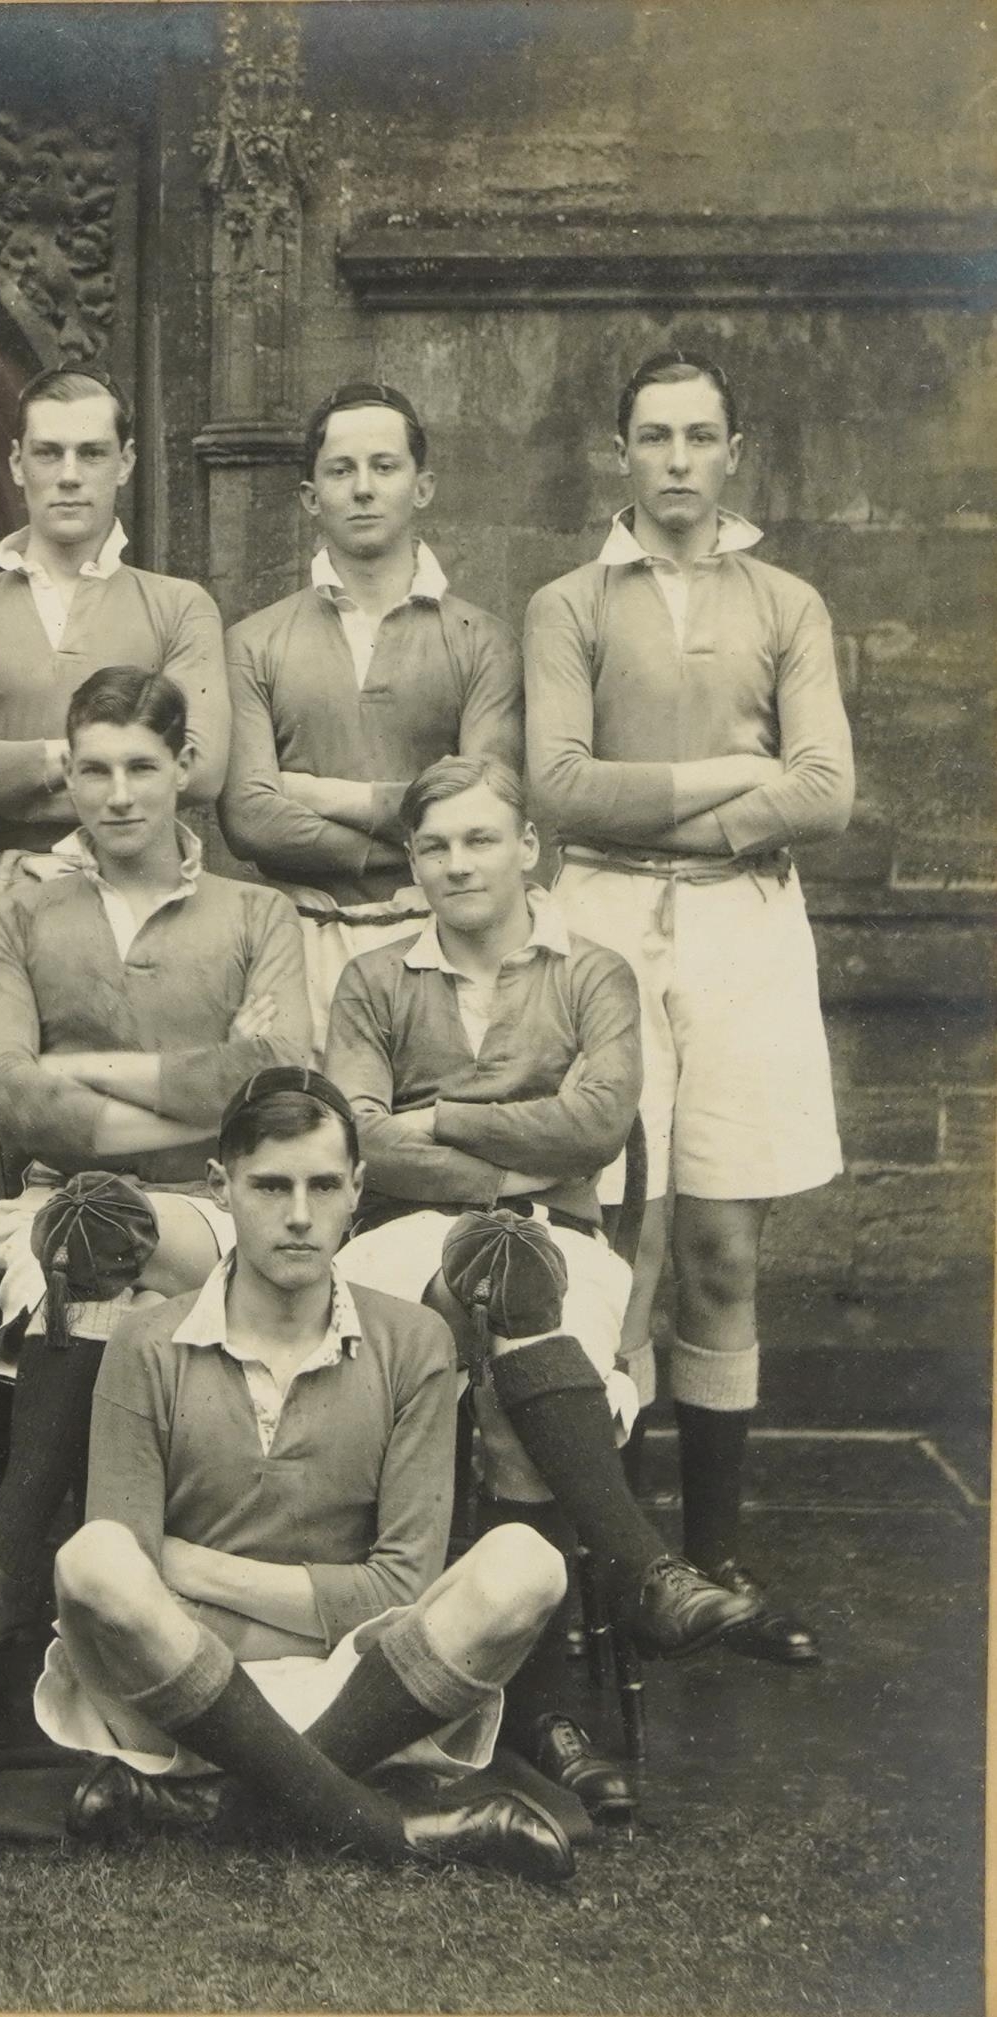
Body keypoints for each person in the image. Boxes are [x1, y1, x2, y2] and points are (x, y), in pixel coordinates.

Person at [324, 754, 762, 1815]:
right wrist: (515, 1154)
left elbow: (598, 1125)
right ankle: (633, 1589)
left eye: (480, 839)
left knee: (519, 1294)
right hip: (399, 1241)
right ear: (413, 861)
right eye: (433, 845)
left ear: (529, 847)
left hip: (561, 1239)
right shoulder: (373, 978)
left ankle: (537, 1696)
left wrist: (440, 1118)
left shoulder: (592, 972)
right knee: (492, 1288)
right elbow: (360, 1146)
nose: (455, 863)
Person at [35, 1068, 578, 1884]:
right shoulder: (147, 1342)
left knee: (528, 1562)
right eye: (270, 1185)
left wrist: (197, 1567)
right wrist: (311, 1605)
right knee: (93, 1560)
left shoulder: (414, 1341)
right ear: (221, 1188)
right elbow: (131, 1581)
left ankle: (232, 1806)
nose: (298, 1214)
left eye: (324, 1184)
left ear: (359, 1188)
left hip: (360, 1693)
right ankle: (392, 1828)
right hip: (185, 1702)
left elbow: (401, 1590)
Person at [526, 350, 854, 1663]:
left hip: (744, 928)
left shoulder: (787, 602)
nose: (674, 459)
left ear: (734, 451)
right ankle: (625, 1555)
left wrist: (683, 788)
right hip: (603, 917)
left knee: (721, 1248)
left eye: (698, 436)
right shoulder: (569, 605)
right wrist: (733, 772)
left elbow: (825, 793)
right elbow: (558, 789)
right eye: (651, 435)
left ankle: (715, 1554)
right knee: (618, 1238)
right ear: (620, 453)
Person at [0, 663, 309, 1649]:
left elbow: (273, 1083)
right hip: (54, 1199)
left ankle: (8, 1552)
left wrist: (86, 1069)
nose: (116, 795)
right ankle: (108, 1598)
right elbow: (4, 1092)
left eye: (140, 768)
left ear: (184, 768)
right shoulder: (24, 911)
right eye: (94, 770)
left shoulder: (254, 913)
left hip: (213, 1206)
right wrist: (201, 1084)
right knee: (88, 1232)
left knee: (107, 1235)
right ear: (66, 778)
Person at [0, 364, 229, 1200]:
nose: (69, 473)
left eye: (91, 452)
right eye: (48, 452)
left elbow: (206, 762)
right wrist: (90, 761)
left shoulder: (176, 606)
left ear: (125, 462)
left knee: (127, 1094)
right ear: (15, 463)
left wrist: (4, 763)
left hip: (136, 889)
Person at [219, 381, 524, 1057]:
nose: (362, 488)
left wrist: (318, 793)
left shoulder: (482, 640)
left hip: (435, 930)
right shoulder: (253, 642)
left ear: (422, 487)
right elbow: (248, 815)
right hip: (295, 936)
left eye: (384, 467)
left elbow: (482, 810)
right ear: (310, 497)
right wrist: (415, 832)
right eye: (340, 470)